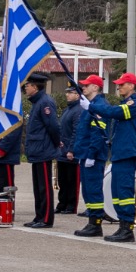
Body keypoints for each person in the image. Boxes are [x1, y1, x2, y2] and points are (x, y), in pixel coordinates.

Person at [82, 72, 136, 243]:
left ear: (131, 86)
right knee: (117, 193)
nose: (118, 87)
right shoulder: (126, 103)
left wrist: (91, 107)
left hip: (127, 153)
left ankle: (127, 228)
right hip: (120, 152)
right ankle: (122, 226)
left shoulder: (135, 104)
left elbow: (112, 112)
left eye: (122, 84)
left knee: (124, 192)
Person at [21, 71, 62, 229]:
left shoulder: (45, 102)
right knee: (38, 187)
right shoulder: (37, 102)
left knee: (44, 187)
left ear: (35, 87)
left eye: (28, 85)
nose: (26, 88)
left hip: (43, 150)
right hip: (37, 150)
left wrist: (56, 144)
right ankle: (39, 216)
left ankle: (46, 218)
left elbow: (53, 126)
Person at [72, 75, 110, 238]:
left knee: (93, 189)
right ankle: (92, 221)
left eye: (87, 86)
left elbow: (98, 132)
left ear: (96, 87)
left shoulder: (100, 106)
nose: (83, 88)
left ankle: (95, 224)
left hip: (92, 155)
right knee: (87, 190)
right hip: (85, 153)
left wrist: (92, 154)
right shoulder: (91, 106)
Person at [56, 85, 83, 215]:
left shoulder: (78, 110)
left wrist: (71, 150)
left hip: (71, 152)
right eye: (67, 93)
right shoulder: (68, 109)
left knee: (72, 180)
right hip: (62, 151)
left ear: (77, 95)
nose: (67, 95)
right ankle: (62, 203)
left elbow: (76, 132)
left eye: (70, 93)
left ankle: (71, 205)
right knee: (63, 180)